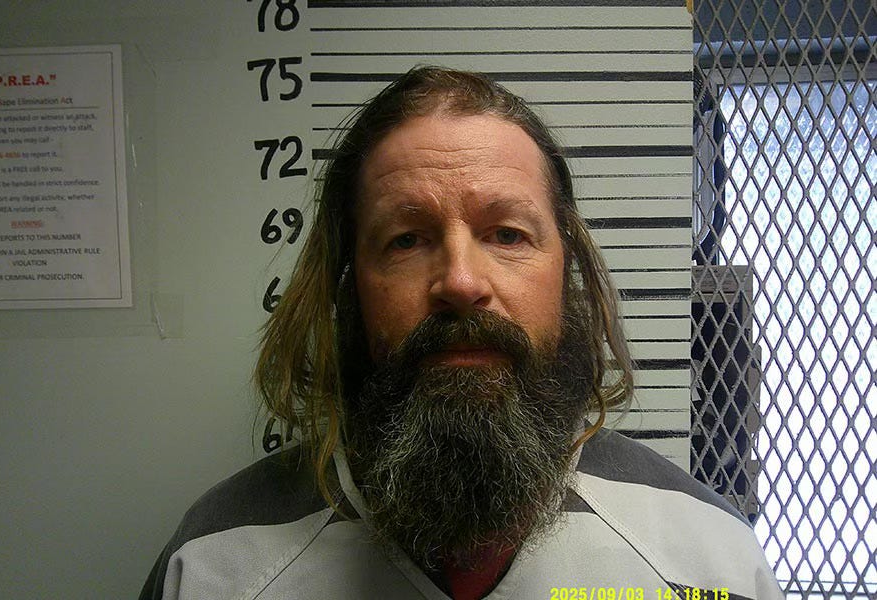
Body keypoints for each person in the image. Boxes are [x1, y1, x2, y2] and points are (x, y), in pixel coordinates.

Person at [140, 67, 783, 600]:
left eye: (507, 234)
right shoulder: (213, 568)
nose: (460, 281)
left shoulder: (709, 564)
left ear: (566, 273)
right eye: (406, 239)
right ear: (348, 288)